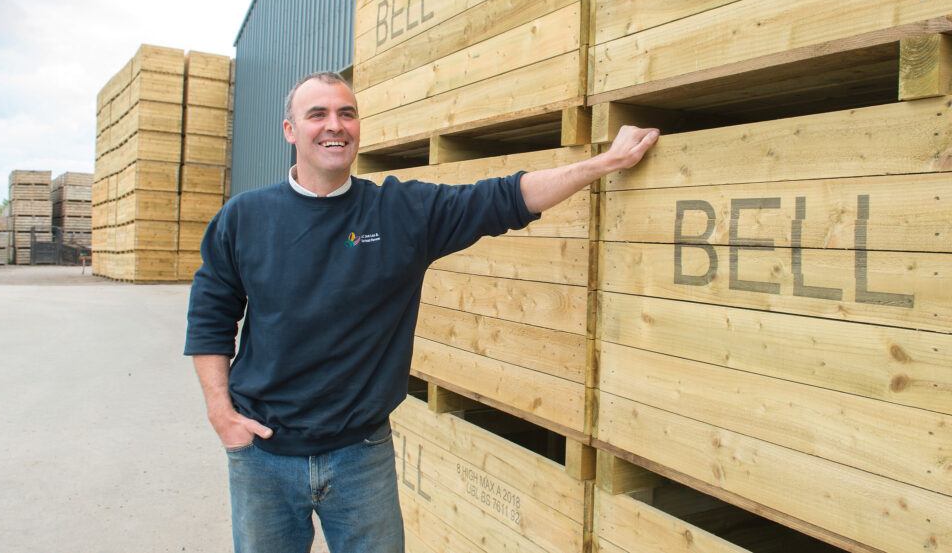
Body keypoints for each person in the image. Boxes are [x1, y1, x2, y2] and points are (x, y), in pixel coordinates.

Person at [184, 71, 659, 553]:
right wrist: (221, 414)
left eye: (347, 114)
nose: (335, 125)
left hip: (360, 456)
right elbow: (210, 317)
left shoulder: (399, 212)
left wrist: (606, 161)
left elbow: (504, 198)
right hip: (264, 456)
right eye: (318, 115)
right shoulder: (244, 217)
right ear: (290, 130)